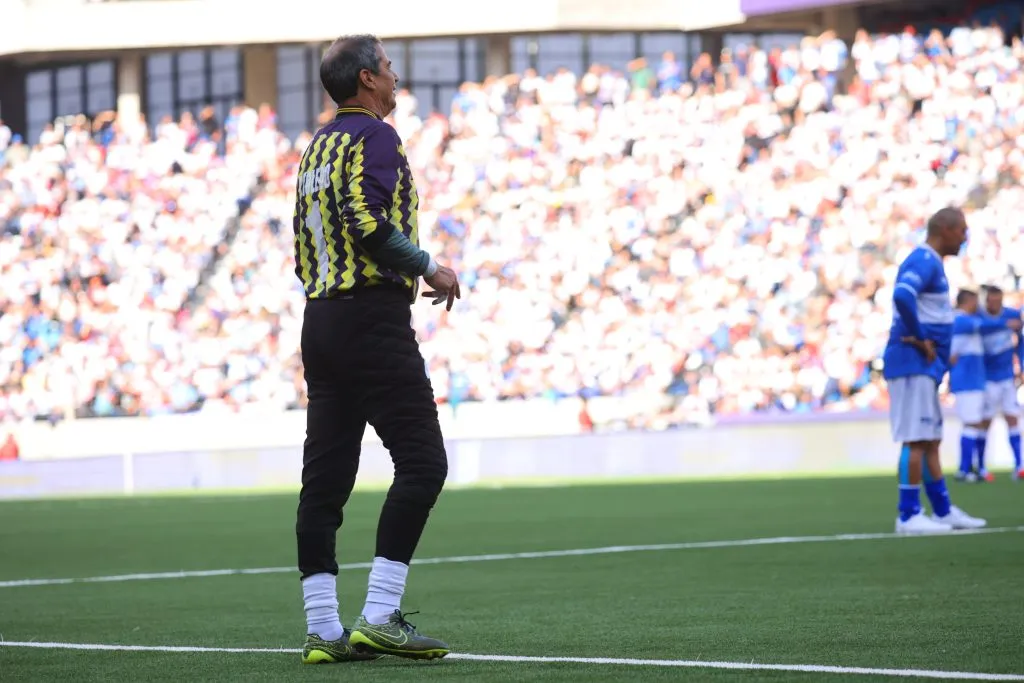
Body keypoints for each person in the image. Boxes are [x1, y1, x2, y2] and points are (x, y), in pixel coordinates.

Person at [293, 34, 460, 665]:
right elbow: (366, 221)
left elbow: (312, 240)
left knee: (325, 482)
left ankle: (322, 631)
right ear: (366, 79)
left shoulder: (316, 147)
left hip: (322, 322)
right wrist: (428, 266)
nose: (395, 76)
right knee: (423, 463)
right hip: (370, 319)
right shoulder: (375, 138)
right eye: (387, 67)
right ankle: (382, 615)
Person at [883, 207, 986, 534]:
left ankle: (941, 510)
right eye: (961, 231)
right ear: (944, 229)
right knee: (916, 438)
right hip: (912, 362)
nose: (965, 237)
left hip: (923, 365)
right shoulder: (924, 260)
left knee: (929, 439)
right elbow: (902, 295)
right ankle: (908, 513)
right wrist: (921, 337)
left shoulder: (932, 263)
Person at [949, 289, 1021, 482]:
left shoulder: (968, 321)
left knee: (975, 423)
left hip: (978, 380)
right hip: (969, 381)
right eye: (975, 301)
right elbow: (984, 326)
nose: (978, 306)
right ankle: (966, 470)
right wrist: (1006, 324)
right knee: (974, 423)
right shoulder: (963, 320)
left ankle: (969, 469)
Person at [979, 285, 1024, 479]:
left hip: (1006, 376)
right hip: (986, 377)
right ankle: (980, 465)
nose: (995, 304)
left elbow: (1020, 341)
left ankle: (1019, 465)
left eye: (999, 300)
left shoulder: (1012, 314)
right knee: (984, 421)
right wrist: (1005, 326)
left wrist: (1021, 364)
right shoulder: (979, 317)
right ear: (987, 300)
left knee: (1012, 417)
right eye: (992, 300)